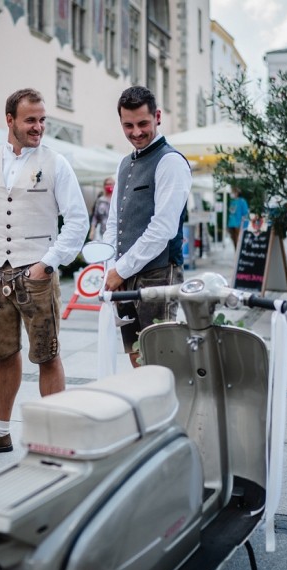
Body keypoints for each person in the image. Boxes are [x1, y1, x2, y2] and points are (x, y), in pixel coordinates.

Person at [0, 88, 88, 457]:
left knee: (47, 354)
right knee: (3, 354)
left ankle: (57, 436)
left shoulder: (57, 162)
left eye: (42, 120)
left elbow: (77, 221)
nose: (38, 126)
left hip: (37, 275)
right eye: (31, 120)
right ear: (9, 120)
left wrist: (49, 263)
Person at [100, 86, 189, 366]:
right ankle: (147, 410)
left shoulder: (171, 161)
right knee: (137, 358)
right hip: (125, 276)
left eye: (142, 123)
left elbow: (163, 229)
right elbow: (114, 221)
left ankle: (169, 411)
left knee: (161, 362)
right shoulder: (124, 163)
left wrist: (120, 270)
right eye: (128, 125)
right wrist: (110, 266)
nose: (136, 132)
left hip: (159, 275)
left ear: (157, 117)